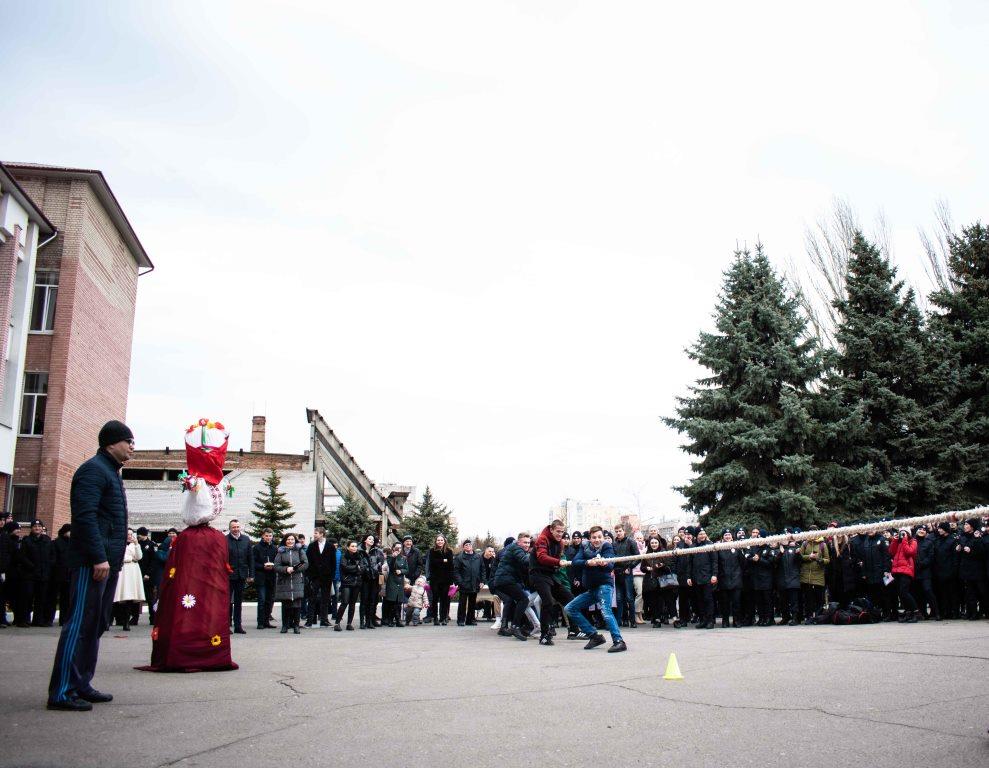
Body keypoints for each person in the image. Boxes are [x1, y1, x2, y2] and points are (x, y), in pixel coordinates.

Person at [139, 418, 238, 674]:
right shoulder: (196, 481)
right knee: (187, 590)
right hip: (195, 541)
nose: (213, 457)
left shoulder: (217, 483)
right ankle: (184, 645)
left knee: (211, 594)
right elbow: (194, 487)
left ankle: (210, 645)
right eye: (208, 453)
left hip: (209, 540)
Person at [47, 420, 133, 711]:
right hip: (91, 563)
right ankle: (62, 691)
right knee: (79, 625)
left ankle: (81, 683)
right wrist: (98, 556)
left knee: (95, 624)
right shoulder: (93, 471)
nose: (132, 446)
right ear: (111, 443)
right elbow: (85, 518)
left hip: (108, 563)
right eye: (128, 441)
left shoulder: (111, 473)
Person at [564, 526, 626, 652]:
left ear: (603, 537)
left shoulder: (606, 546)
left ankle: (619, 641)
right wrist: (588, 562)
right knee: (569, 608)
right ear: (590, 538)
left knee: (606, 612)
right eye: (594, 537)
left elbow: (610, 565)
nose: (597, 540)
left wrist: (604, 563)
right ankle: (594, 636)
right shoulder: (584, 546)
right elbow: (576, 562)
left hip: (604, 586)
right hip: (592, 589)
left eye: (599, 537)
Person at [529, 520, 574, 645]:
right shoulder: (542, 539)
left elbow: (557, 560)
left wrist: (558, 564)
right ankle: (544, 635)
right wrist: (558, 562)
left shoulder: (560, 543)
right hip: (538, 574)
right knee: (547, 602)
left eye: (562, 531)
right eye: (558, 531)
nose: (560, 534)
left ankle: (575, 630)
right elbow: (542, 557)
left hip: (550, 575)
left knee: (569, 599)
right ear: (552, 530)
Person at [491, 533, 532, 641]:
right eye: (525, 542)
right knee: (523, 600)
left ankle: (523, 625)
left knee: (514, 600)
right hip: (505, 580)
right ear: (519, 542)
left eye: (528, 542)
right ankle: (515, 626)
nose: (527, 545)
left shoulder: (518, 549)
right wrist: (536, 554)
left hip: (504, 580)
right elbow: (525, 560)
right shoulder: (516, 548)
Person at [18, 519, 53, 627]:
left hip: (43, 574)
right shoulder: (27, 540)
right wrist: (32, 566)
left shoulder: (47, 540)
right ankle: (24, 619)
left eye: (39, 526)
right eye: (35, 526)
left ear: (42, 528)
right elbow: (23, 556)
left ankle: (38, 620)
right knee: (27, 597)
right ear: (31, 528)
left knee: (41, 598)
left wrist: (49, 565)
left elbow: (52, 555)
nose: (37, 528)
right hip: (30, 574)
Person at [274, 533, 308, 634]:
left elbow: (305, 563)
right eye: (288, 539)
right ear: (285, 541)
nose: (290, 541)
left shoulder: (299, 551)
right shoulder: (280, 552)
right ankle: (285, 625)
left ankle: (296, 626)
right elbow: (276, 566)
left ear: (295, 541)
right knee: (286, 604)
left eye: (292, 539)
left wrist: (294, 569)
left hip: (297, 580)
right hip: (285, 581)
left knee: (297, 605)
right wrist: (286, 569)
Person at [226, 519, 253, 635]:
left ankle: (238, 626)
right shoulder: (225, 540)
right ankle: (226, 626)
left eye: (237, 527)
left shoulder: (246, 539)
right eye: (233, 527)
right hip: (229, 575)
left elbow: (250, 558)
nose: (236, 529)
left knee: (238, 602)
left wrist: (251, 574)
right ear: (230, 528)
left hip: (241, 575)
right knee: (227, 602)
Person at [112, 529, 144, 630]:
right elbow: (119, 557)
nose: (129, 536)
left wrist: (137, 545)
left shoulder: (134, 545)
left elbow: (139, 557)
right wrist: (130, 558)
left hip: (133, 571)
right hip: (123, 570)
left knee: (130, 597)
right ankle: (116, 619)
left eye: (131, 534)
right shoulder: (119, 544)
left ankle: (126, 622)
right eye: (128, 534)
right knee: (121, 596)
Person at [746, 528, 776, 626]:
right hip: (756, 579)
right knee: (759, 601)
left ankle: (769, 618)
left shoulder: (769, 549)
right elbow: (748, 557)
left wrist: (759, 560)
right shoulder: (754, 548)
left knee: (767, 600)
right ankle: (761, 618)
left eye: (761, 537)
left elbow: (770, 563)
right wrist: (752, 559)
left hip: (766, 579)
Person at [306, 528, 336, 627]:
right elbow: (308, 562)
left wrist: (331, 576)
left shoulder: (330, 546)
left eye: (316, 533)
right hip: (314, 577)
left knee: (325, 599)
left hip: (326, 577)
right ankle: (309, 620)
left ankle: (324, 620)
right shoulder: (311, 546)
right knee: (312, 598)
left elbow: (333, 563)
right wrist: (310, 576)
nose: (314, 535)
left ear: (322, 534)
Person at [956, 519, 986, 619]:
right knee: (970, 592)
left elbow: (981, 552)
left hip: (977, 569)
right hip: (967, 569)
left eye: (967, 524)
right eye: (964, 524)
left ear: (972, 526)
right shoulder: (963, 537)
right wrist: (959, 549)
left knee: (982, 591)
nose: (965, 526)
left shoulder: (977, 536)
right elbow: (962, 552)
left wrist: (971, 550)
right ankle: (972, 613)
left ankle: (983, 611)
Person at [799, 527, 830, 623]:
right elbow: (799, 557)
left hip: (818, 576)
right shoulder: (804, 543)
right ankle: (808, 617)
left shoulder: (822, 544)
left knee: (819, 599)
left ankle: (818, 617)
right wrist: (809, 557)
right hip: (806, 576)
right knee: (808, 599)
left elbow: (827, 559)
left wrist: (819, 559)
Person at [611, 524, 638, 628]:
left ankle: (633, 621)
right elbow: (612, 558)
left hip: (627, 572)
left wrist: (630, 567)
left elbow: (638, 557)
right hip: (617, 573)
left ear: (624, 531)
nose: (618, 533)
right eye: (616, 531)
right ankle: (623, 620)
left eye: (620, 531)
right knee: (619, 598)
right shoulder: (614, 544)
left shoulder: (631, 541)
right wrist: (612, 569)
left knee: (629, 598)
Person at [888, 527, 918, 622]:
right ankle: (908, 612)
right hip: (896, 570)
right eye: (901, 533)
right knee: (900, 594)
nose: (902, 534)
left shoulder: (913, 541)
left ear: (908, 534)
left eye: (904, 533)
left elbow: (910, 552)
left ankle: (915, 612)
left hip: (906, 570)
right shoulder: (899, 542)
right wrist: (895, 540)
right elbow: (891, 552)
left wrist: (904, 539)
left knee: (904, 592)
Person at [932, 522, 960, 619]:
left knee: (952, 593)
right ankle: (945, 612)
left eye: (941, 528)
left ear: (945, 529)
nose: (939, 530)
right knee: (942, 593)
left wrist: (954, 571)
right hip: (939, 571)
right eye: (938, 528)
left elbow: (955, 557)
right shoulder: (938, 540)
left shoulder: (952, 540)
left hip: (950, 571)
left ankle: (955, 612)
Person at [426, 534, 455, 626]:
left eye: (441, 540)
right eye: (438, 540)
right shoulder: (432, 551)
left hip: (446, 579)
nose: (440, 542)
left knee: (444, 599)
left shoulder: (449, 551)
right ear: (436, 541)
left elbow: (450, 565)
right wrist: (443, 561)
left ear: (444, 541)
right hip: (435, 579)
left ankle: (443, 618)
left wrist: (451, 580)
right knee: (435, 599)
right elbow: (432, 563)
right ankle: (435, 618)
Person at [716, 530, 743, 628]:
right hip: (724, 579)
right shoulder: (719, 548)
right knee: (724, 603)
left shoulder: (737, 547)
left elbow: (742, 563)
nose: (727, 536)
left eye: (729, 535)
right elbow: (717, 564)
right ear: (723, 537)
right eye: (725, 535)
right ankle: (725, 621)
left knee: (736, 602)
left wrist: (739, 574)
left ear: (732, 537)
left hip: (736, 579)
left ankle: (737, 621)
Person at [134, 527, 160, 625]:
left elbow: (154, 561)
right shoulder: (137, 544)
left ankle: (152, 618)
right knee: (136, 597)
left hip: (148, 575)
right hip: (137, 573)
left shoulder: (152, 545)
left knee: (150, 598)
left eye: (139, 534)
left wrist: (148, 574)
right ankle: (135, 618)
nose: (138, 536)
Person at [253, 529, 278, 628]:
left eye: (270, 536)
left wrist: (273, 566)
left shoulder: (274, 548)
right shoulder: (257, 548)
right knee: (262, 600)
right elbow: (253, 562)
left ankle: (267, 621)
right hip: (261, 577)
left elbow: (277, 561)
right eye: (266, 535)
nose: (268, 537)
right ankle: (260, 622)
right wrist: (262, 566)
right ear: (263, 536)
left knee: (269, 600)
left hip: (271, 577)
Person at [49, 524, 73, 626]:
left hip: (68, 575)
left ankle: (64, 620)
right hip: (57, 574)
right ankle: (48, 618)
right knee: (52, 597)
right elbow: (53, 558)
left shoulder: (73, 544)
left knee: (66, 599)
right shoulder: (56, 543)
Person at [913, 526, 939, 620]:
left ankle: (936, 612)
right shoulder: (912, 541)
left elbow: (931, 556)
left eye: (924, 530)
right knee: (918, 593)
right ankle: (922, 613)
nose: (921, 531)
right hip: (914, 571)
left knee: (928, 591)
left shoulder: (929, 542)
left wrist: (923, 564)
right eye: (920, 529)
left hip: (925, 572)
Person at [453, 540, 482, 626]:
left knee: (472, 603)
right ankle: (461, 620)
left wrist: (482, 581)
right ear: (463, 547)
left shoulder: (478, 557)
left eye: (469, 544)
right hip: (464, 584)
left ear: (472, 546)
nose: (468, 546)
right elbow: (456, 571)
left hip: (475, 583)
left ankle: (470, 620)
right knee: (462, 603)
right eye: (466, 545)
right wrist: (460, 582)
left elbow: (482, 569)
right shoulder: (459, 557)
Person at [358, 534, 384, 629]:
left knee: (372, 601)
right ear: (365, 540)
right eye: (369, 539)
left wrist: (380, 580)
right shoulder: (360, 550)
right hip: (364, 578)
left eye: (373, 539)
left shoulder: (377, 551)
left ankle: (369, 621)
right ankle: (362, 622)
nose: (372, 540)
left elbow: (380, 564)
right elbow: (359, 564)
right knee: (364, 600)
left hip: (375, 578)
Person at [334, 541, 361, 631]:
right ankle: (337, 623)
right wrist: (356, 568)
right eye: (352, 546)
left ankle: (349, 623)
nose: (354, 548)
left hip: (356, 582)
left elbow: (362, 568)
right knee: (344, 602)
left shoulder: (359, 556)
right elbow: (344, 567)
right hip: (346, 582)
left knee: (352, 604)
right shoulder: (344, 556)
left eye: (355, 546)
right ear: (348, 547)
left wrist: (355, 568)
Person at [641, 536, 667, 627]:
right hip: (650, 581)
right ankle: (655, 618)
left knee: (660, 601)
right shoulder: (646, 554)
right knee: (652, 601)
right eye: (652, 543)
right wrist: (647, 568)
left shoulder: (663, 553)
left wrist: (660, 566)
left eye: (655, 543)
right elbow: (642, 568)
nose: (654, 544)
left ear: (659, 543)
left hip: (661, 580)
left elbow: (667, 566)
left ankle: (659, 618)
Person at [776, 532, 802, 625]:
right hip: (782, 579)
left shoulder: (795, 549)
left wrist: (798, 554)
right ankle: (785, 617)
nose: (784, 540)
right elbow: (774, 563)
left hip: (793, 579)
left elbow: (800, 562)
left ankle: (795, 618)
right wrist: (780, 554)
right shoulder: (778, 550)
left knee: (794, 600)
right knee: (783, 601)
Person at [383, 541, 408, 627]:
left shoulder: (404, 558)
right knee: (392, 602)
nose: (398, 549)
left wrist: (401, 571)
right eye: (396, 547)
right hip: (392, 581)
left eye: (400, 548)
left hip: (400, 582)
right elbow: (391, 566)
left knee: (399, 602)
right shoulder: (390, 557)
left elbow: (406, 569)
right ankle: (391, 619)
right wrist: (394, 557)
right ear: (393, 548)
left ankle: (397, 620)